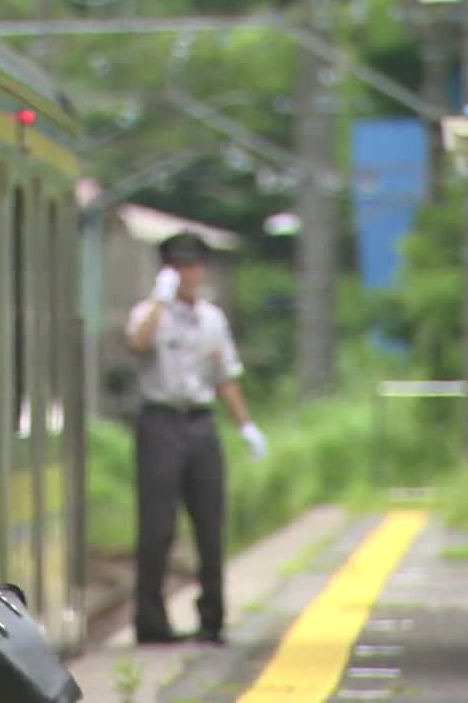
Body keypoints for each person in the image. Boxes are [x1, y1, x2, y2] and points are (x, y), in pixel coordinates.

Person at [125, 231, 268, 646]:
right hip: (160, 421)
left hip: (201, 423)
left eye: (193, 266)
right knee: (157, 527)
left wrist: (245, 425)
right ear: (166, 271)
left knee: (210, 522)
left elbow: (226, 377)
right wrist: (160, 301)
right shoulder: (149, 313)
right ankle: (151, 622)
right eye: (179, 266)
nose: (187, 274)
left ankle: (213, 619)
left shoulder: (212, 319)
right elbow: (138, 343)